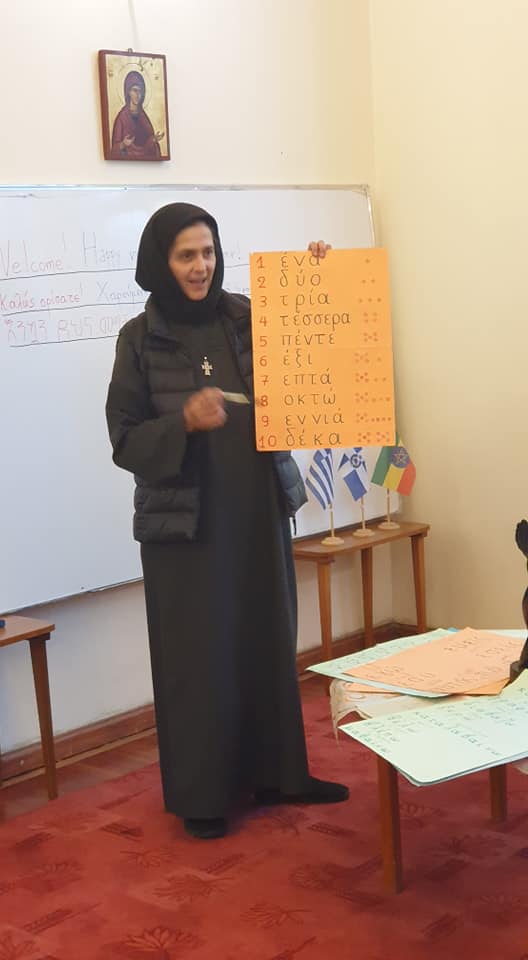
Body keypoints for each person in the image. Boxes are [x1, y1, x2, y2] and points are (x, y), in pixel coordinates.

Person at [105, 203, 349, 839]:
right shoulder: (139, 338)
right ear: (161, 262)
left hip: (256, 509)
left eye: (208, 252)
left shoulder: (246, 315)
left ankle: (281, 776)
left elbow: (310, 346)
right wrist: (183, 422)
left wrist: (317, 278)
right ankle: (204, 798)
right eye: (186, 255)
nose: (201, 267)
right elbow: (124, 440)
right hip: (184, 528)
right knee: (198, 658)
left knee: (267, 641)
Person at [110, 70, 164, 160]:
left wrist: (153, 139)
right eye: (135, 90)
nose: (138, 95)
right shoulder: (122, 118)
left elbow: (148, 144)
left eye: (140, 91)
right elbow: (114, 149)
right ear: (128, 92)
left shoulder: (143, 117)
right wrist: (123, 144)